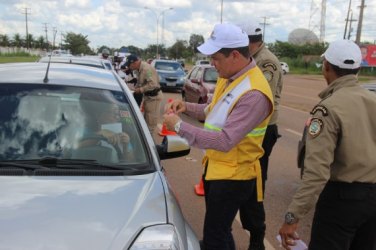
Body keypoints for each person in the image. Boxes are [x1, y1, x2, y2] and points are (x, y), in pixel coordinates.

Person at [163, 23, 274, 250]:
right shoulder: (229, 76)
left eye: (216, 58)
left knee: (215, 236)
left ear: (234, 55)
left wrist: (179, 127)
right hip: (217, 168)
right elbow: (211, 110)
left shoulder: (254, 93)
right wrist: (186, 107)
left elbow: (224, 141)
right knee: (220, 230)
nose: (212, 63)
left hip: (234, 176)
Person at [279, 39, 376, 250]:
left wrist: (292, 216)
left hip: (341, 201)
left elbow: (316, 172)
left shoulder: (326, 110)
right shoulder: (372, 101)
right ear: (357, 69)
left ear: (327, 67)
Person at [237, 21, 283, 250]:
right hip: (251, 128)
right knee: (243, 179)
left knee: (254, 183)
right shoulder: (252, 59)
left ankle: (257, 238)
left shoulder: (267, 62)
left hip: (262, 130)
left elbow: (258, 98)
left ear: (248, 41)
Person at [124, 54, 162, 134]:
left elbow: (153, 84)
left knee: (150, 125)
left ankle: (149, 145)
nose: (129, 67)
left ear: (134, 63)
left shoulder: (146, 69)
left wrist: (140, 90)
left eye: (129, 65)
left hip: (153, 98)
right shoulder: (139, 69)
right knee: (146, 122)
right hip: (148, 97)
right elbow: (141, 82)